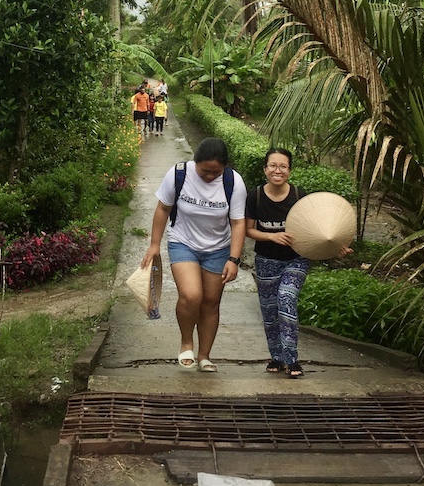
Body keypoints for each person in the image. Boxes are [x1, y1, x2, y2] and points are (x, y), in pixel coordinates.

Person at [141, 138, 246, 372]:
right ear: (194, 163)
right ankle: (186, 341)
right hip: (183, 242)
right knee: (191, 295)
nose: (209, 176)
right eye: (203, 171)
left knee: (211, 302)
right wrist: (154, 244)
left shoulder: (233, 182)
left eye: (215, 172)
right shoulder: (178, 174)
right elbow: (162, 208)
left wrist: (234, 259)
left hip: (218, 248)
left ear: (224, 168)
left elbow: (238, 223)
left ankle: (205, 355)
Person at [245, 148, 351, 378]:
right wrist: (272, 236)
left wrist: (336, 247)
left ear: (290, 171)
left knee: (286, 297)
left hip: (296, 259)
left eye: (283, 166)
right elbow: (248, 230)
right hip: (266, 261)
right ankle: (277, 357)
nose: (277, 170)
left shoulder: (299, 196)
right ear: (265, 169)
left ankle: (292, 360)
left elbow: (318, 229)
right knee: (270, 311)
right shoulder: (255, 196)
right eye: (272, 165)